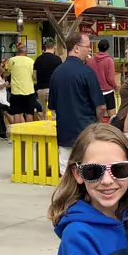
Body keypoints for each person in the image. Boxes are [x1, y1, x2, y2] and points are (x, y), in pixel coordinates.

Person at [49, 123, 128, 255]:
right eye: (93, 171)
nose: (107, 180)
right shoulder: (78, 237)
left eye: (119, 169)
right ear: (78, 174)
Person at [49, 32, 106, 174]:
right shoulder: (87, 72)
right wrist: (98, 122)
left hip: (64, 132)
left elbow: (53, 107)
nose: (89, 50)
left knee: (65, 170)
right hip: (86, 131)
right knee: (88, 170)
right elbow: (100, 106)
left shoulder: (56, 73)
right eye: (87, 47)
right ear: (76, 48)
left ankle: (66, 195)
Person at [88, 39, 118, 118]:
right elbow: (110, 78)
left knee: (96, 119)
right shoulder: (109, 60)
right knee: (112, 118)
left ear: (98, 47)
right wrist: (116, 86)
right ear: (108, 48)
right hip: (108, 93)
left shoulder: (90, 60)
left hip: (94, 93)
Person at [7, 44, 37, 123]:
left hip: (15, 91)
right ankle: (29, 133)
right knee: (29, 113)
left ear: (17, 52)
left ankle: (18, 133)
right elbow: (34, 76)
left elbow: (8, 72)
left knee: (17, 113)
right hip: (29, 90)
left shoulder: (11, 60)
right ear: (26, 52)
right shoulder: (31, 61)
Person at [34, 39, 62, 118]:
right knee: (54, 114)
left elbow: (34, 76)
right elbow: (60, 75)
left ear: (45, 46)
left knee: (43, 114)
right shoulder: (57, 59)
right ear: (54, 47)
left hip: (40, 89)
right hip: (52, 89)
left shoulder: (38, 59)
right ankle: (54, 130)